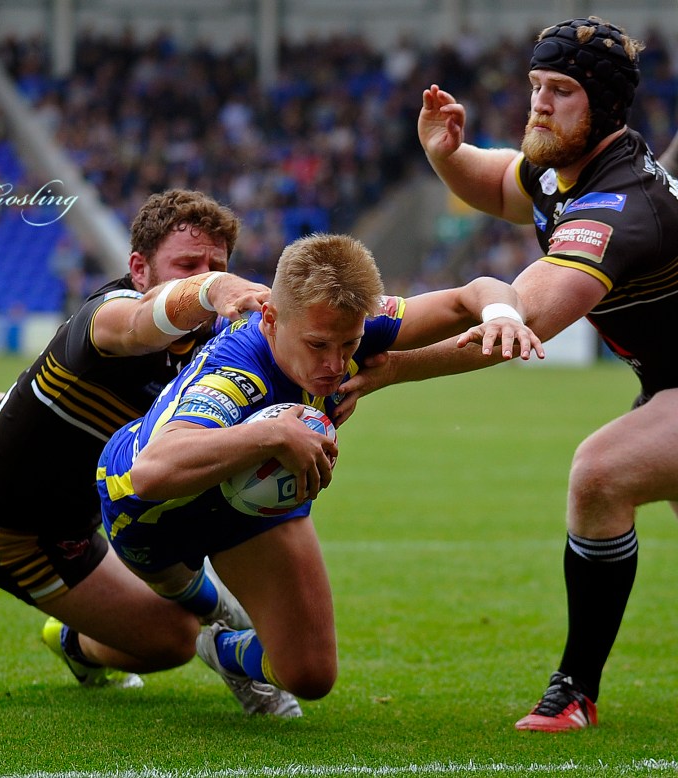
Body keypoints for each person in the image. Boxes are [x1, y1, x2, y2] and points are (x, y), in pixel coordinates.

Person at [336, 16, 678, 732]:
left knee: (600, 474)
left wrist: (395, 367)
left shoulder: (615, 208)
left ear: (605, 106)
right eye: (535, 86)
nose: (539, 104)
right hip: (666, 386)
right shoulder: (567, 169)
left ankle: (574, 691)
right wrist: (445, 154)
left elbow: (521, 322)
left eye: (561, 91)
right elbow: (500, 184)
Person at [96, 232, 543, 717]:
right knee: (186, 611)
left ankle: (221, 651)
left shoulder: (348, 317)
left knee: (309, 675)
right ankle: (77, 643)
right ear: (271, 320)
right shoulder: (235, 374)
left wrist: (503, 315)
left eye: (349, 344)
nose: (335, 364)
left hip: (250, 502)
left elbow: (471, 294)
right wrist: (272, 435)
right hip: (152, 513)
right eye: (317, 345)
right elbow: (152, 472)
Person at [0, 189, 270, 691]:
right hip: (17, 529)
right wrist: (213, 288)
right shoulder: (109, 316)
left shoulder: (214, 341)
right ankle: (74, 645)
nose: (204, 276)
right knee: (173, 639)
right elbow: (138, 325)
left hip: (41, 444)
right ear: (139, 269)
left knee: (5, 412)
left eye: (216, 266)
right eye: (188, 265)